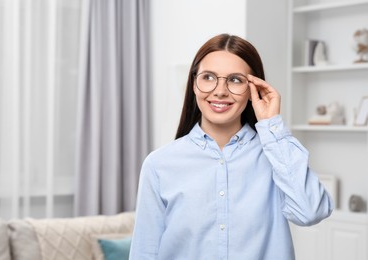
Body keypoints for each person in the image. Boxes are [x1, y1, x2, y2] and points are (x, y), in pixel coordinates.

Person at [129, 34, 333, 259]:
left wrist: (271, 126)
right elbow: (144, 251)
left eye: (235, 80)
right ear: (194, 84)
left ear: (253, 88)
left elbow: (311, 212)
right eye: (208, 77)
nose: (220, 91)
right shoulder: (159, 165)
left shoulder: (277, 157)